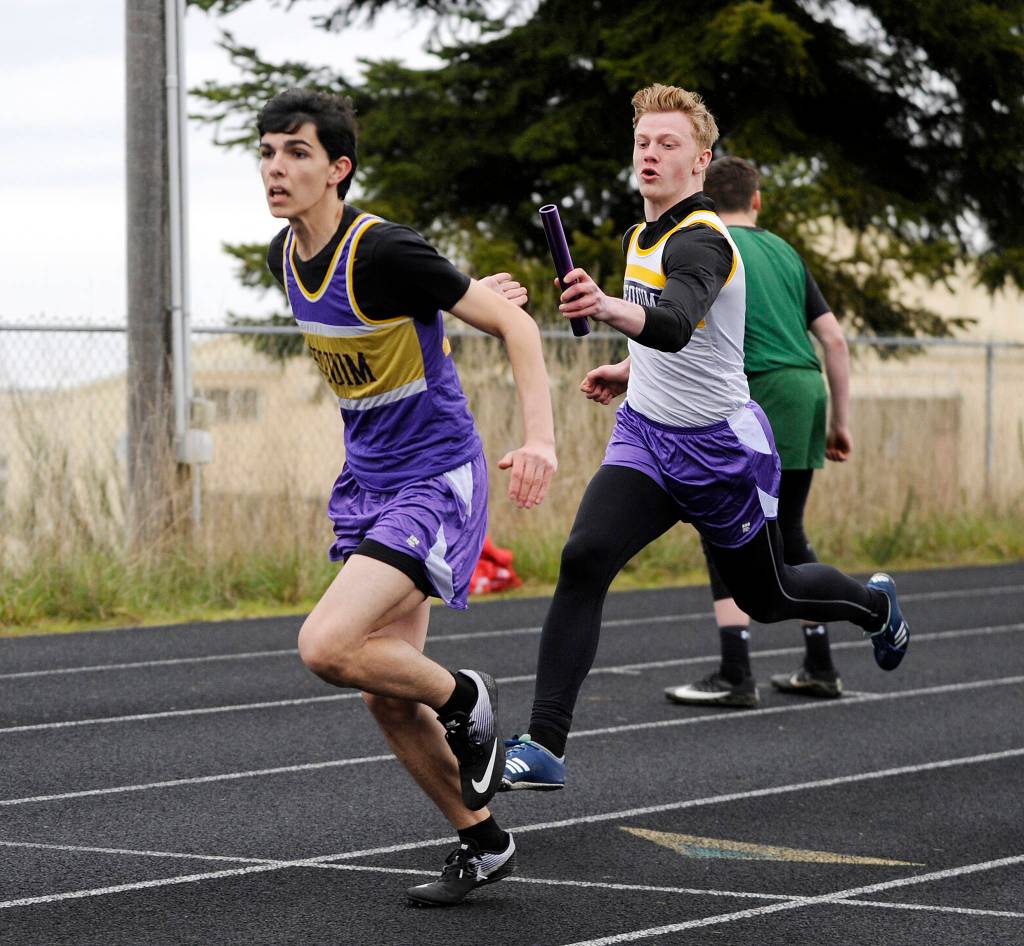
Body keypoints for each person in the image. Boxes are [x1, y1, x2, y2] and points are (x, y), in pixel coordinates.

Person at [500, 83, 909, 793]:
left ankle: (874, 605)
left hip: (720, 452)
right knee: (584, 556)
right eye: (642, 142)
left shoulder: (706, 240)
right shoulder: (638, 237)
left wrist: (608, 308)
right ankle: (544, 744)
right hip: (647, 440)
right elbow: (667, 342)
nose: (651, 154)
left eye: (668, 144)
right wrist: (629, 370)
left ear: (701, 161)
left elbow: (679, 318)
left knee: (769, 597)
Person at [257, 88, 557, 904]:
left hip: (434, 481)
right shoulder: (286, 254)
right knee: (383, 692)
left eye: (296, 153)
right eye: (268, 153)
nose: (277, 169)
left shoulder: (384, 249)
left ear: (339, 169)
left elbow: (520, 331)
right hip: (368, 483)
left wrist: (540, 441)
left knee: (325, 645)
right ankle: (484, 841)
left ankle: (468, 697)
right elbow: (400, 336)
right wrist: (455, 299)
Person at [664, 155, 853, 709]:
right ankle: (820, 663)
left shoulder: (708, 241)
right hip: (806, 392)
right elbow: (835, 342)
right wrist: (839, 422)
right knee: (789, 531)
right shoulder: (787, 252)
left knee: (720, 527)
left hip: (758, 392)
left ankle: (735, 671)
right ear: (757, 199)